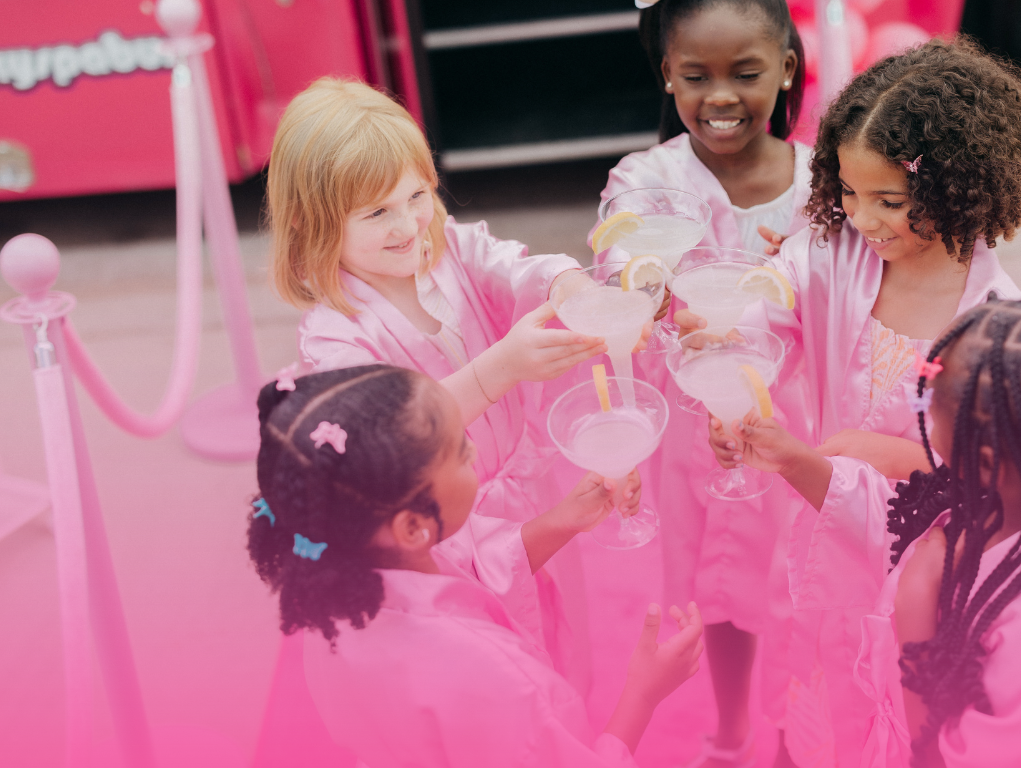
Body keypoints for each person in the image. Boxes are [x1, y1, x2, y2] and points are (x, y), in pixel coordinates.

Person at [697, 39, 1021, 766]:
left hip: (925, 585)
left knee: (911, 726)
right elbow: (766, 316)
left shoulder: (997, 322)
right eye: (848, 194)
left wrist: (868, 453)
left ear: (960, 186)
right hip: (824, 558)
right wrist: (729, 390)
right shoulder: (832, 255)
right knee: (817, 713)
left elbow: (1004, 483)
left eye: (889, 201)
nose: (862, 219)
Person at [267, 77, 634, 691]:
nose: (409, 224)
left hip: (528, 486)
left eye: (417, 195)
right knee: (499, 669)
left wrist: (566, 284)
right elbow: (388, 437)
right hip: (446, 530)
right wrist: (502, 368)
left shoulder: (446, 246)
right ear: (313, 222)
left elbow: (512, 266)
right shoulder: (333, 339)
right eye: (378, 211)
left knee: (563, 636)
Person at [731, 297, 1021, 767]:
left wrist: (915, 603)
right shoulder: (1001, 498)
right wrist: (796, 462)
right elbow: (890, 524)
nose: (925, 424)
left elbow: (941, 754)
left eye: (933, 414)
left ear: (984, 462)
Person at [247, 364, 706, 768]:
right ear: (412, 527)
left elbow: (468, 565)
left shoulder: (331, 592)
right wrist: (643, 691)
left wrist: (562, 521)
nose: (473, 451)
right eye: (460, 452)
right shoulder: (501, 677)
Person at [596, 1, 810, 763]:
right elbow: (621, 270)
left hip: (796, 425)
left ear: (786, 67)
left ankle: (797, 730)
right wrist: (654, 301)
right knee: (718, 582)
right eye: (696, 76)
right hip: (693, 437)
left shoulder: (825, 183)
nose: (721, 96)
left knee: (795, 586)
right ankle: (732, 726)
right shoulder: (646, 181)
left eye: (745, 73)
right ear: (667, 76)